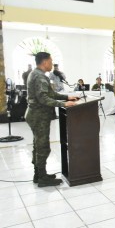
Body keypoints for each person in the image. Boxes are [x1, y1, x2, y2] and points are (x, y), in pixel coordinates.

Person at [26, 52, 78, 187]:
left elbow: (52, 94)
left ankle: (38, 174)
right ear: (44, 62)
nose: (52, 63)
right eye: (51, 61)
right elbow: (43, 98)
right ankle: (42, 178)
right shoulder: (39, 76)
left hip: (36, 115)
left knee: (38, 145)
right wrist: (64, 104)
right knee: (43, 147)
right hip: (39, 116)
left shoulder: (37, 74)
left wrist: (67, 97)